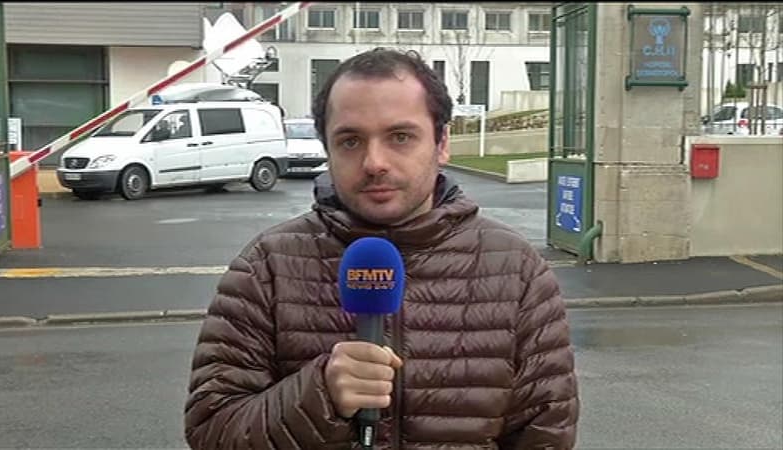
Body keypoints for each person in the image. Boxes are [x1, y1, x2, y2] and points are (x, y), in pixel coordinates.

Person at [184, 48, 579, 449]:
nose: (374, 162)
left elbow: (545, 436)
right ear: (328, 149)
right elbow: (211, 432)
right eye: (351, 140)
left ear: (442, 142)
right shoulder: (266, 267)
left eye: (400, 137)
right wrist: (318, 395)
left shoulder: (516, 271)